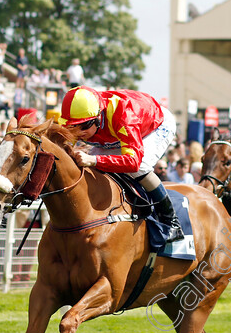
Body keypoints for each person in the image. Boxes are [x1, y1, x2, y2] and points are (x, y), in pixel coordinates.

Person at [60, 85, 183, 242]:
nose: (78, 133)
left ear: (98, 117)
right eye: (72, 127)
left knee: (139, 167)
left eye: (84, 126)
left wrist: (94, 160)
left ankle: (172, 222)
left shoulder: (123, 115)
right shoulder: (84, 119)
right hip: (114, 134)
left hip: (155, 125)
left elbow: (133, 162)